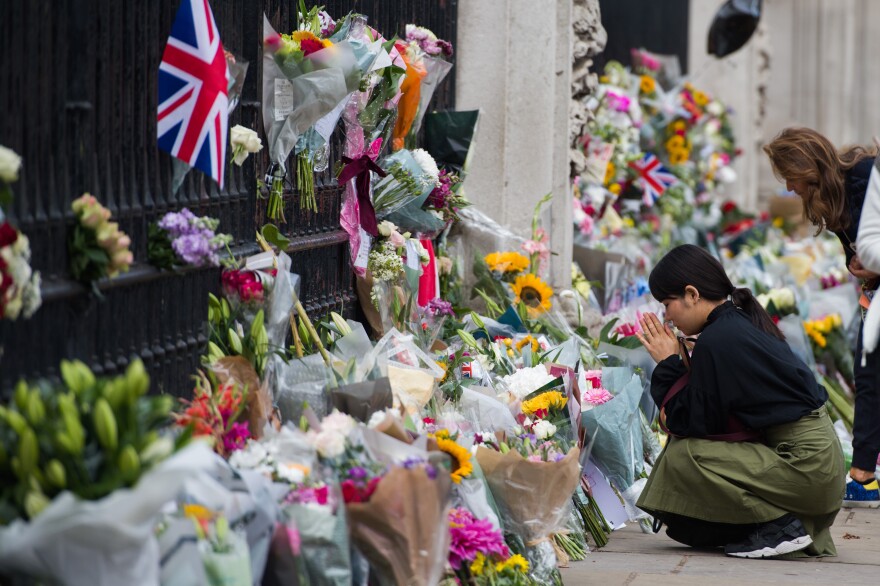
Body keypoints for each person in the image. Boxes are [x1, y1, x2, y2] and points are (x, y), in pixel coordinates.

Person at [635, 244, 844, 558]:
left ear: (692, 294)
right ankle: (773, 525)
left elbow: (691, 424)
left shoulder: (719, 339)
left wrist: (668, 365)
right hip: (817, 464)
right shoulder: (734, 324)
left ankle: (779, 527)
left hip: (806, 468)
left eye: (667, 303)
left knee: (687, 456)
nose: (667, 317)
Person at [764, 127, 879, 504]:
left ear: (805, 166)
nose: (790, 188)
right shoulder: (832, 198)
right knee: (870, 371)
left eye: (789, 177)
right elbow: (855, 254)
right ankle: (864, 475)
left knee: (870, 370)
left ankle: (864, 476)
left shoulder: (863, 176)